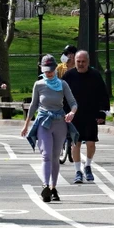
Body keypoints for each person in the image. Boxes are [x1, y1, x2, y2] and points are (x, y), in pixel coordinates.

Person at [21, 54, 77, 203]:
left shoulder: (62, 84)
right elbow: (33, 106)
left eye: (51, 70)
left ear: (55, 69)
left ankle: (53, 187)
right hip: (44, 122)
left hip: (59, 122)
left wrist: (72, 112)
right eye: (46, 70)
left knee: (55, 157)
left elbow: (73, 102)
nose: (49, 73)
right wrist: (26, 125)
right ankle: (45, 185)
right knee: (46, 154)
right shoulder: (38, 85)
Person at [62, 51, 110, 183]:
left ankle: (88, 166)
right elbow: (62, 95)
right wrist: (64, 112)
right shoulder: (69, 76)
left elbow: (103, 94)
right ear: (74, 61)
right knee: (75, 143)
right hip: (74, 115)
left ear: (88, 62)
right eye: (78, 61)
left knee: (90, 143)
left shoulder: (95, 75)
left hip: (90, 114)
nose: (81, 64)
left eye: (83, 62)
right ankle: (78, 171)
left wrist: (102, 112)